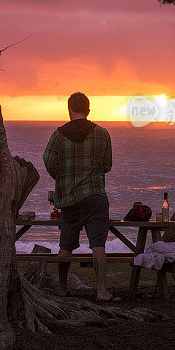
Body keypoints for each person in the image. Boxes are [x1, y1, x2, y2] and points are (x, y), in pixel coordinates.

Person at [43, 92, 116, 301]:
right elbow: (107, 166)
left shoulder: (58, 135)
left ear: (69, 110)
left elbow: (48, 160)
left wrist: (61, 176)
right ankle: (101, 291)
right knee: (98, 245)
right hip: (95, 197)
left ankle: (63, 289)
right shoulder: (102, 134)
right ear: (88, 110)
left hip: (69, 199)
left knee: (65, 247)